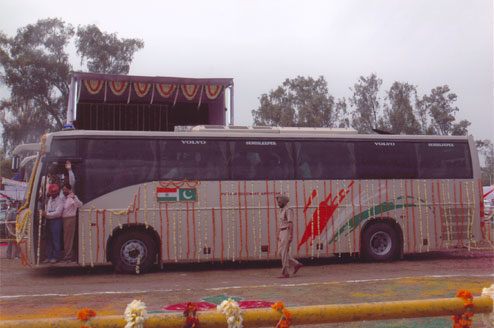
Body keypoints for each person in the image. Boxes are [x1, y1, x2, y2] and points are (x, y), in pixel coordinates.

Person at [276, 194, 302, 278]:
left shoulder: (288, 210)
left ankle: (285, 272)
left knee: (283, 253)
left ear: (283, 202)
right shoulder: (281, 210)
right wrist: (278, 233)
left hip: (286, 232)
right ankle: (296, 264)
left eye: (279, 202)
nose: (278, 203)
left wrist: (291, 235)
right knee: (280, 252)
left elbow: (290, 223)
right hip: (282, 232)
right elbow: (281, 223)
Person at [42, 184, 64, 264]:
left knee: (56, 239)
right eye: (51, 193)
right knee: (49, 240)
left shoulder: (60, 200)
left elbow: (58, 213)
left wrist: (47, 215)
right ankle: (49, 256)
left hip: (56, 221)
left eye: (54, 193)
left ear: (57, 193)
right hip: (49, 221)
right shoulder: (50, 200)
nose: (52, 195)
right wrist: (47, 214)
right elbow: (48, 210)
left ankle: (55, 257)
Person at [61, 183, 82, 263]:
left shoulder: (72, 197)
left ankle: (68, 256)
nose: (64, 191)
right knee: (66, 238)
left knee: (68, 238)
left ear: (69, 190)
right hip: (64, 219)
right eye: (63, 190)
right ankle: (67, 255)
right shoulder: (65, 198)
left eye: (65, 189)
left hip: (70, 219)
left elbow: (79, 205)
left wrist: (74, 198)